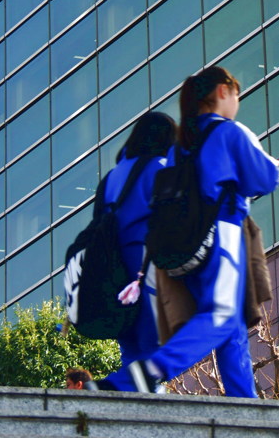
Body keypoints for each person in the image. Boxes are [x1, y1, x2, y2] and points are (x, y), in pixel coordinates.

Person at [88, 66, 279, 395]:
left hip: (186, 248)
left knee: (232, 327)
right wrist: (271, 165)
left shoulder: (180, 146)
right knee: (220, 315)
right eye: (236, 93)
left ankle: (245, 401)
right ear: (223, 91)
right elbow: (263, 179)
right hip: (223, 236)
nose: (237, 100)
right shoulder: (229, 132)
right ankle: (143, 375)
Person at [101, 110, 177, 369]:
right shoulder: (158, 167)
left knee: (129, 342)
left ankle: (131, 400)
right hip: (142, 260)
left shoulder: (112, 176)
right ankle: (152, 403)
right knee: (152, 340)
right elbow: (173, 214)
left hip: (111, 264)